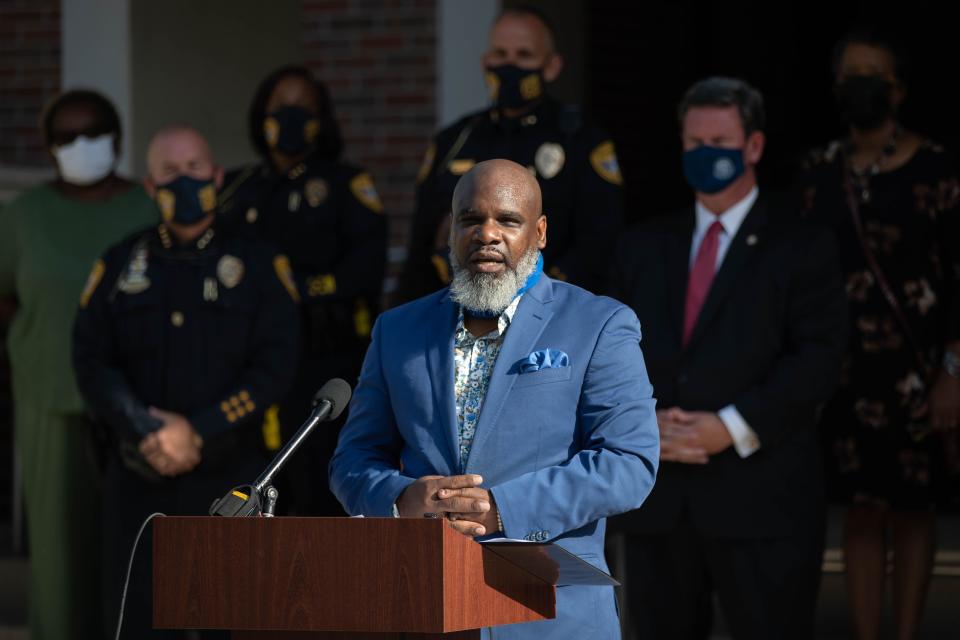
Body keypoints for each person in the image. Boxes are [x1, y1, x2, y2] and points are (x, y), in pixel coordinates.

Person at [330, 159, 659, 639]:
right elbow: (353, 460)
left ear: (540, 232)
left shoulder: (599, 324)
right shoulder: (397, 331)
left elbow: (629, 463)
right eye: (470, 219)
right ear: (450, 231)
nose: (487, 234)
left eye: (507, 220)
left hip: (551, 614)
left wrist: (501, 508)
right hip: (426, 605)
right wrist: (403, 499)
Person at [609, 77, 847, 639]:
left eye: (721, 140)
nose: (706, 154)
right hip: (658, 504)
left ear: (755, 146)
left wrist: (731, 427)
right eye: (695, 143)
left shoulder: (803, 244)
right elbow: (609, 355)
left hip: (763, 501)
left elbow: (819, 357)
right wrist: (642, 425)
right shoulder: (642, 245)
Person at [73, 124, 299, 638]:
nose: (184, 181)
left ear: (217, 176)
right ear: (149, 187)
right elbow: (90, 359)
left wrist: (198, 429)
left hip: (233, 475)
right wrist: (146, 429)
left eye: (194, 169)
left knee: (234, 616)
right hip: (139, 473)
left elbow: (276, 366)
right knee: (138, 619)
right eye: (169, 172)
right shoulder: (118, 264)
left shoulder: (260, 263)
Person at [797, 29, 960, 640]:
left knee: (914, 511)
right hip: (841, 371)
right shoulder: (815, 173)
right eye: (850, 74)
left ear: (898, 88)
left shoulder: (939, 170)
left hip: (921, 372)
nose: (860, 85)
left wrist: (953, 372)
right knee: (861, 511)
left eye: (874, 74)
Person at [0, 89, 156, 640]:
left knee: (132, 544)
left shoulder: (145, 205)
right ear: (48, 148)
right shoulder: (25, 216)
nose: (80, 144)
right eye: (65, 137)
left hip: (137, 404)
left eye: (92, 131)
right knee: (59, 550)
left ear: (115, 136)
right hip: (51, 398)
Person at [218, 65, 387, 516]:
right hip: (250, 360)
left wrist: (293, 292)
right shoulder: (237, 188)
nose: (289, 117)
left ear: (322, 118)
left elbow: (363, 269)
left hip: (323, 356)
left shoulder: (345, 185)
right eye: (279, 108)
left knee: (318, 486)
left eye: (303, 109)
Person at [395, 6, 623, 303]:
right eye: (500, 55)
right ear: (485, 62)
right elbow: (421, 246)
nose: (510, 66)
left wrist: (535, 299)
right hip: (455, 311)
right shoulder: (454, 140)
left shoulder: (581, 140)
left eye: (524, 55)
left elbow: (600, 244)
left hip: (548, 314)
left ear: (551, 66)